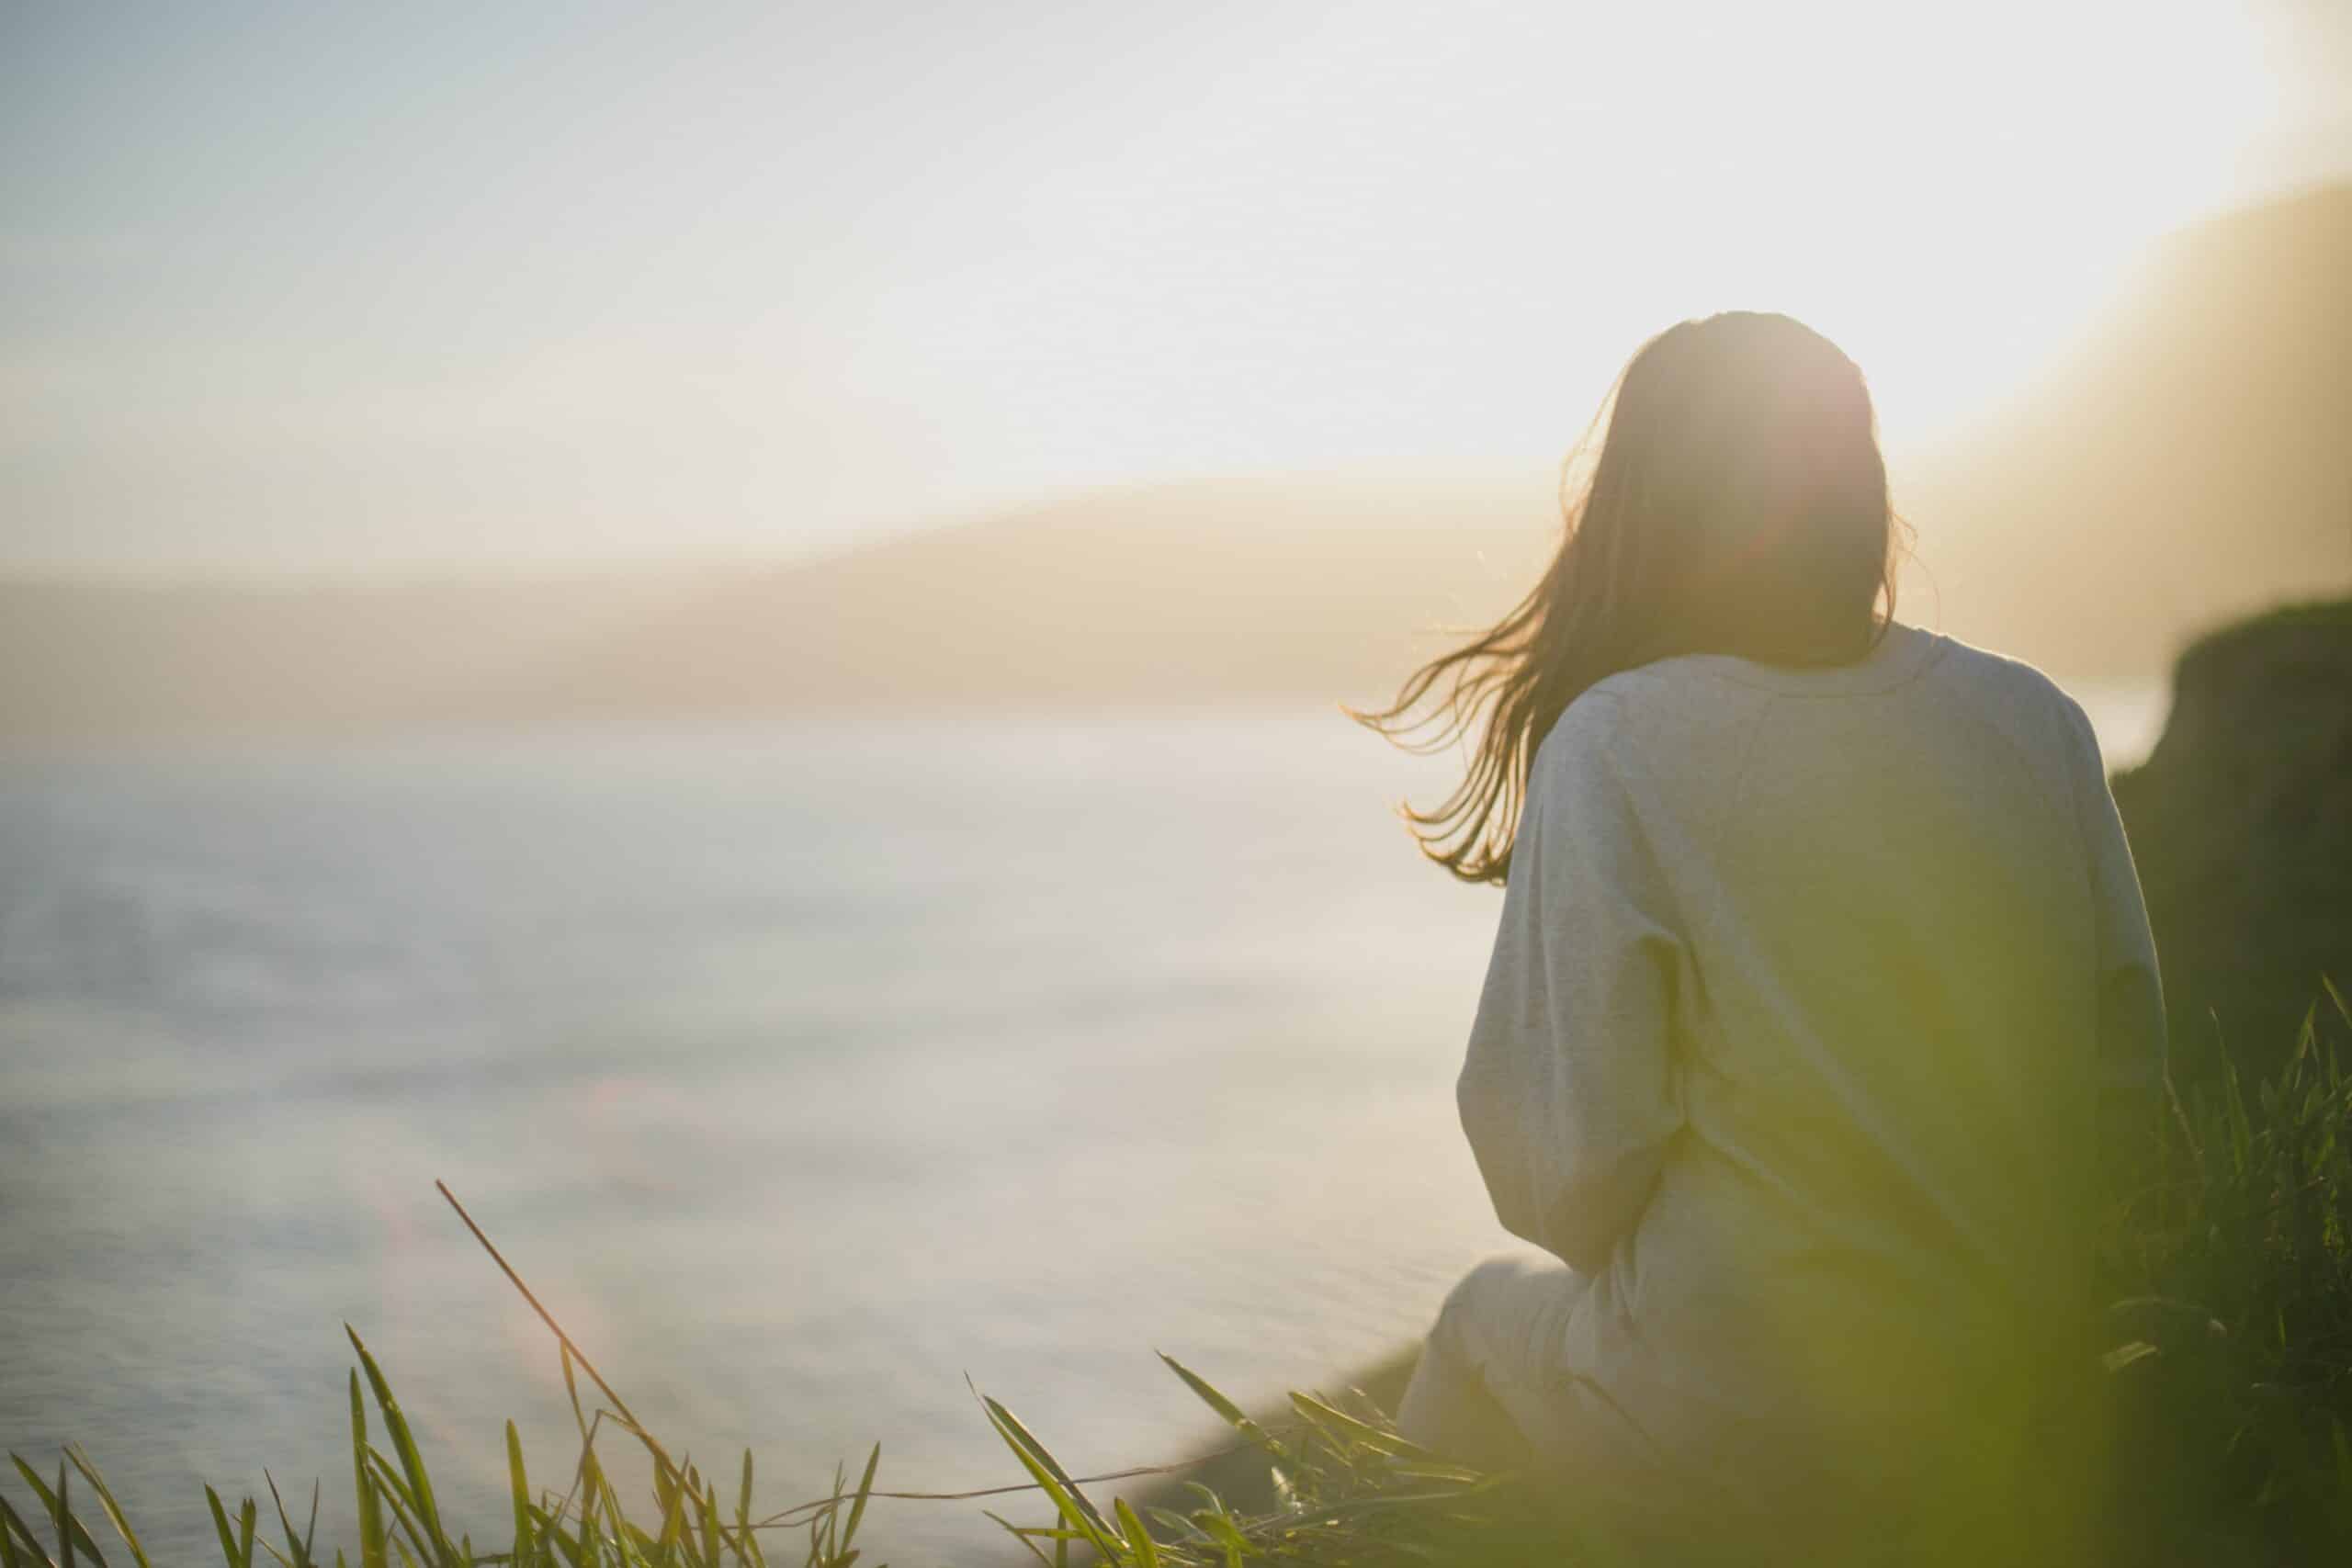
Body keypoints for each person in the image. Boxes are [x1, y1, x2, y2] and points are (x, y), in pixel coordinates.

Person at [1351, 312, 2167, 1555]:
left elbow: (1565, 1175)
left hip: (1750, 1415)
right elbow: (2126, 1095)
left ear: (1646, 506)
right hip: (2023, 1390)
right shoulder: (2035, 721)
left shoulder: (1620, 743)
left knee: (1475, 1322)